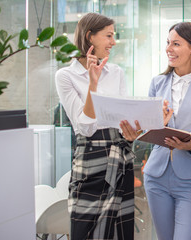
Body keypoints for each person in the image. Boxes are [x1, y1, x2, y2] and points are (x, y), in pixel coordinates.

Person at [55, 13, 141, 240]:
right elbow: (84, 128)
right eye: (109, 36)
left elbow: (122, 120)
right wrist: (93, 83)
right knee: (84, 231)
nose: (113, 42)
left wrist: (131, 133)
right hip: (89, 158)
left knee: (119, 232)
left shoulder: (117, 73)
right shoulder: (65, 76)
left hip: (119, 155)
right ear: (89, 37)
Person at [143, 22, 191, 240]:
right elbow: (147, 129)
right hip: (156, 176)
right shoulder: (157, 82)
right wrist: (158, 122)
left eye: (176, 43)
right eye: (168, 43)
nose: (169, 48)